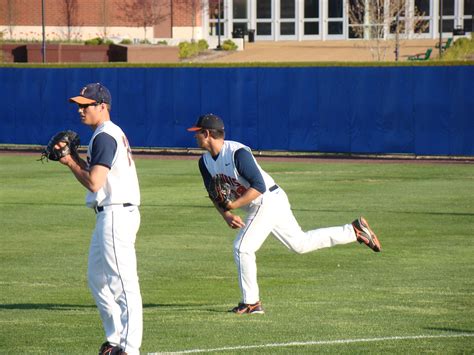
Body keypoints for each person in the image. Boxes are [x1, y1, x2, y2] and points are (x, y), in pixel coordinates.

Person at [188, 113, 381, 315]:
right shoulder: (204, 163)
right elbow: (214, 195)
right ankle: (354, 230)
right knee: (300, 244)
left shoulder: (237, 153)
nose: (195, 137)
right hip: (263, 203)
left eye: (197, 133)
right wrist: (226, 214)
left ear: (207, 133)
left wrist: (234, 205)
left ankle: (251, 303)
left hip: (268, 200)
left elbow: (259, 186)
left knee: (242, 247)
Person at [58, 83, 142, 354]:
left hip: (117, 214)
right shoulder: (104, 134)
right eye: (79, 105)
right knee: (97, 278)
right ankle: (114, 338)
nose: (80, 110)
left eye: (86, 105)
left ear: (102, 106)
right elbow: (97, 175)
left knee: (122, 282)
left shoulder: (106, 135)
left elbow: (94, 183)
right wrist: (72, 159)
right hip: (109, 214)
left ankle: (129, 348)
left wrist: (70, 162)